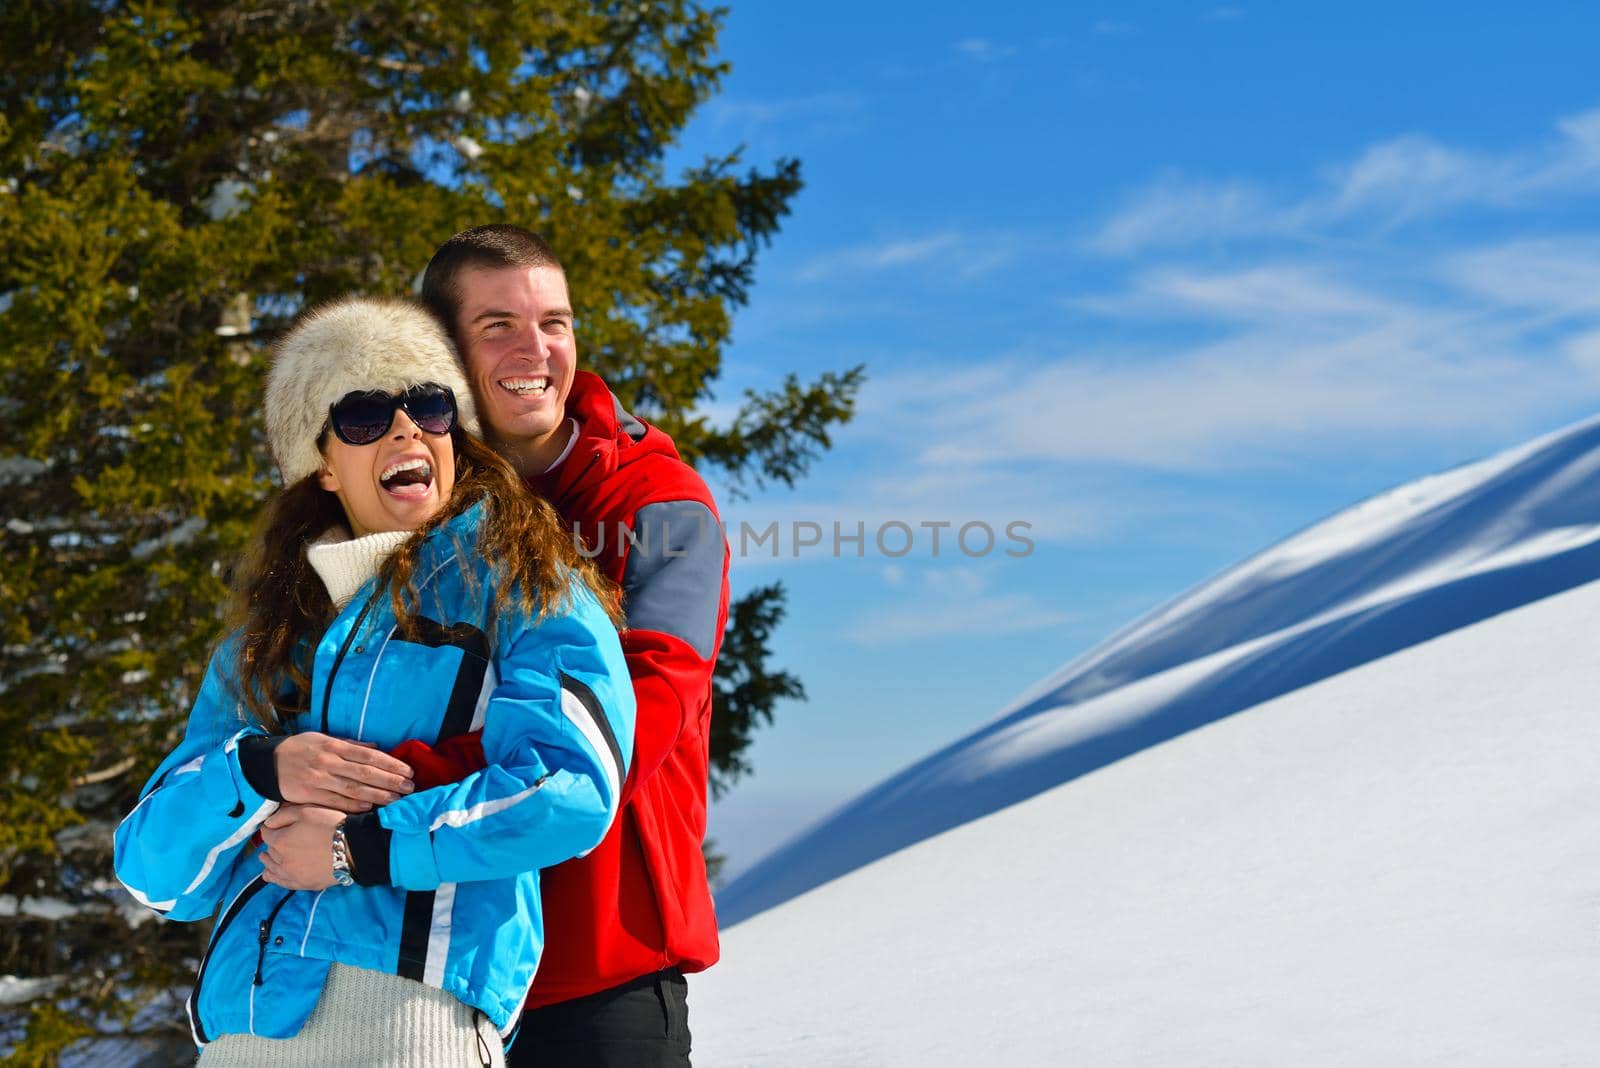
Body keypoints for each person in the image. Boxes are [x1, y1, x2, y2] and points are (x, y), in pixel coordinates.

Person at [113, 296, 635, 1066]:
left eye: (428, 404)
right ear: (323, 463)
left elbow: (572, 789)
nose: (405, 428)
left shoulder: (526, 583)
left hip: (416, 1025)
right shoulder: (264, 644)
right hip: (242, 1034)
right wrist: (261, 768)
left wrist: (359, 850)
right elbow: (155, 874)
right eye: (362, 414)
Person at [421, 226, 728, 1066]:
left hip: (599, 966)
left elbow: (635, 727)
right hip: (434, 968)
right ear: (443, 349)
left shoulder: (657, 506)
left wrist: (398, 782)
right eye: (498, 327)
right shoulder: (415, 506)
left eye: (554, 322)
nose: (536, 349)